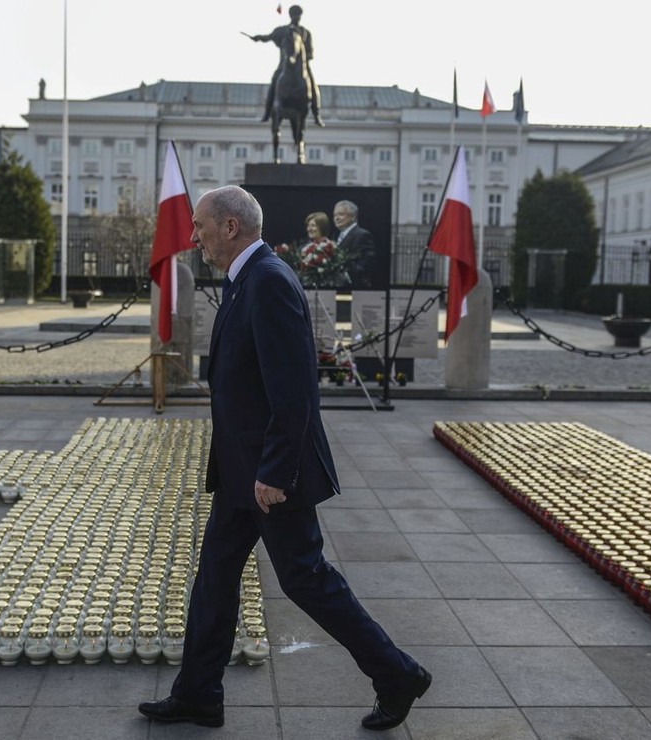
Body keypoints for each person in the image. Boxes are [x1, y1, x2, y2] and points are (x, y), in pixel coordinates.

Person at [138, 185, 430, 732]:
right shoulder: (244, 278)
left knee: (306, 578)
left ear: (230, 227)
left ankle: (397, 674)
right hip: (240, 469)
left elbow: (295, 391)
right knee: (215, 579)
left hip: (270, 473)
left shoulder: (268, 281)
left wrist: (274, 473)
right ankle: (199, 694)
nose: (193, 235)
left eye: (200, 224)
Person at [251, 4, 324, 127]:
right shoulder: (282, 30)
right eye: (294, 15)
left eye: (298, 15)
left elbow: (311, 52)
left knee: (313, 85)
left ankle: (317, 114)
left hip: (303, 67)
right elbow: (268, 37)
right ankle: (267, 112)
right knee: (274, 82)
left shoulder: (305, 32)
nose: (296, 17)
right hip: (284, 65)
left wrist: (304, 58)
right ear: (291, 15)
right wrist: (258, 37)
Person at [333, 200, 377, 289]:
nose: (337, 218)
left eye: (341, 214)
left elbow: (366, 264)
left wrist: (346, 273)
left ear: (353, 216)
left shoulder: (362, 235)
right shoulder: (337, 236)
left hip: (355, 287)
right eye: (335, 215)